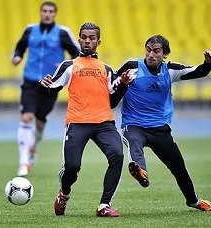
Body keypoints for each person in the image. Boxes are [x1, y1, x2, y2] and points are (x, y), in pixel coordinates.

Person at [116, 34, 211, 211]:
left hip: (160, 128)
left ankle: (193, 200)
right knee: (134, 142)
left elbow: (198, 71)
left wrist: (208, 63)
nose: (151, 54)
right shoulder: (131, 66)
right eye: (148, 50)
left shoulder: (170, 70)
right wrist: (121, 84)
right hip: (133, 124)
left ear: (165, 54)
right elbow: (110, 83)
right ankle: (140, 171)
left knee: (179, 169)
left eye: (156, 51)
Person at [40, 23, 132, 217]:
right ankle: (64, 193)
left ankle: (104, 205)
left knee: (117, 155)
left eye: (92, 38)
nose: (87, 41)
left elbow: (113, 101)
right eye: (84, 37)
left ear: (98, 42)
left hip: (104, 124)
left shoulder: (106, 69)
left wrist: (122, 85)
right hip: (77, 123)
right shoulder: (69, 66)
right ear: (80, 39)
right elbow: (50, 91)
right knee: (72, 167)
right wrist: (44, 86)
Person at [12, 1, 80, 176]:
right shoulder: (30, 30)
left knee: (40, 123)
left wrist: (67, 65)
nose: (47, 14)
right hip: (30, 81)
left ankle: (33, 146)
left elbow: (77, 53)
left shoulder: (62, 33)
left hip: (50, 84)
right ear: (41, 12)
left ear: (54, 14)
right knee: (26, 117)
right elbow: (20, 46)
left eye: (50, 11)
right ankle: (24, 162)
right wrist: (17, 56)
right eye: (44, 11)